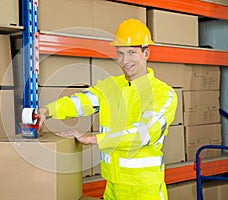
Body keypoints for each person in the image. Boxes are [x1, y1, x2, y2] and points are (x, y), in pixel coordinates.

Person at [37, 19, 178, 200]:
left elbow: (143, 134)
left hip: (143, 190)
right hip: (112, 185)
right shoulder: (111, 86)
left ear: (146, 53)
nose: (124, 60)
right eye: (120, 53)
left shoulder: (163, 94)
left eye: (131, 52)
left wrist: (92, 138)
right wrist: (47, 111)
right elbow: (81, 101)